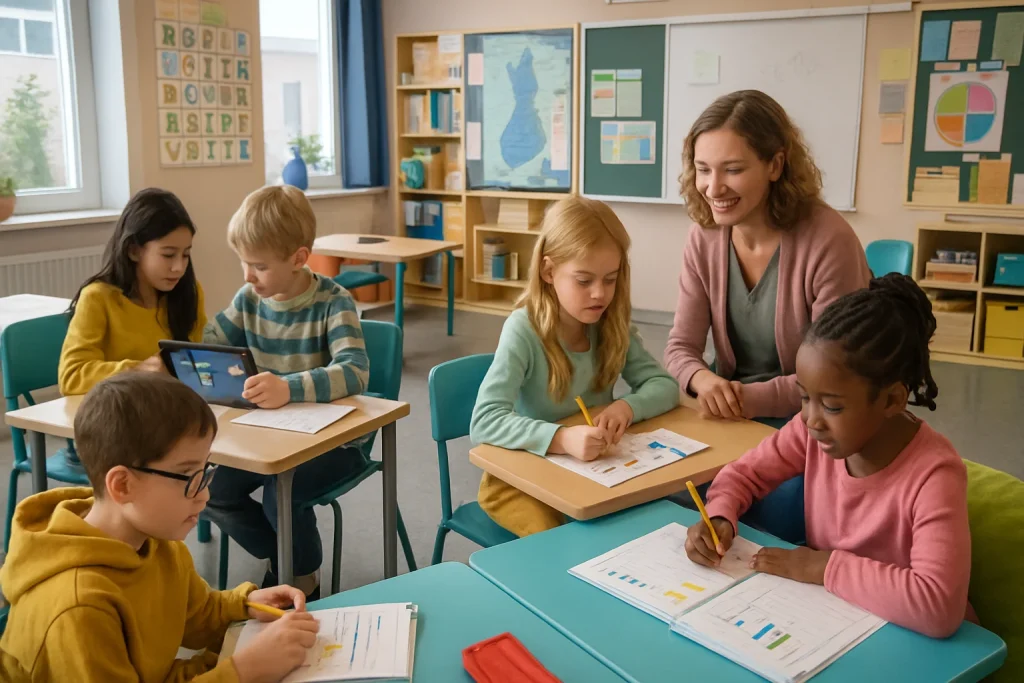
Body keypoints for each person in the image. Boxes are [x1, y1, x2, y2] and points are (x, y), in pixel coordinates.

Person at [685, 275, 973, 639]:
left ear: (892, 400)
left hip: (914, 641)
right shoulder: (811, 433)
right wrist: (719, 515)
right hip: (833, 621)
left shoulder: (935, 476)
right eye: (805, 397)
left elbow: (938, 606)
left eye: (832, 406)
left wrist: (824, 569)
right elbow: (743, 475)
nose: (811, 419)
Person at [0, 373, 319, 681]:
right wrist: (244, 672)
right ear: (123, 485)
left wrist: (244, 606)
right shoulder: (78, 609)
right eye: (189, 476)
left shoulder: (155, 538)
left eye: (206, 471)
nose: (205, 494)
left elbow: (196, 614)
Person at [470, 196, 680, 537]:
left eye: (610, 279)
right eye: (584, 281)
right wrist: (561, 438)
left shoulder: (611, 324)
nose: (600, 294)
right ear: (548, 271)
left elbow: (664, 385)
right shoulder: (524, 330)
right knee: (570, 543)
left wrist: (627, 407)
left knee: (637, 529)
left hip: (588, 474)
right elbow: (484, 421)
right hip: (519, 480)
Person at [203, 185, 369, 600]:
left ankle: (301, 577)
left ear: (298, 259)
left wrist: (289, 388)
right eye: (243, 262)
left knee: (282, 495)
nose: (247, 275)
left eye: (259, 266)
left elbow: (355, 372)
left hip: (334, 442)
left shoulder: (334, 302)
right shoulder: (248, 299)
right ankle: (288, 560)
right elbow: (210, 342)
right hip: (269, 435)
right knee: (211, 492)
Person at [664, 90, 871, 421]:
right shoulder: (703, 237)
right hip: (732, 409)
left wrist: (740, 399)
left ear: (775, 165)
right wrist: (703, 381)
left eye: (732, 170)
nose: (713, 188)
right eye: (703, 169)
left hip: (814, 416)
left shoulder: (830, 241)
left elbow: (834, 372)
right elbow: (681, 347)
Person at [59, 188, 206, 396]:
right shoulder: (97, 298)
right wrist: (137, 370)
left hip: (170, 405)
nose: (179, 267)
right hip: (116, 410)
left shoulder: (189, 293)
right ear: (134, 251)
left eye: (185, 255)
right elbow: (71, 377)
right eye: (168, 255)